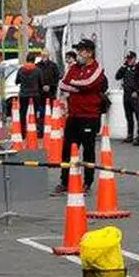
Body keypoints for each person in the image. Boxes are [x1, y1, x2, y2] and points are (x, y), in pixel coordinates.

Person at [52, 39, 107, 196]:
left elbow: (89, 84)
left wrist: (75, 85)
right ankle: (64, 181)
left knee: (88, 150)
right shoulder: (73, 67)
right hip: (74, 115)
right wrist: (78, 87)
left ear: (89, 52)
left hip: (89, 115)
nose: (78, 54)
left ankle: (87, 183)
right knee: (67, 149)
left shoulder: (97, 68)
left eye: (81, 50)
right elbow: (62, 84)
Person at [15, 53, 44, 139]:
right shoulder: (38, 70)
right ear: (34, 60)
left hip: (24, 94)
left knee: (22, 114)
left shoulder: (21, 70)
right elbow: (41, 83)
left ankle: (23, 134)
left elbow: (17, 81)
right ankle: (35, 132)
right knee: (35, 114)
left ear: (26, 59)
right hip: (35, 95)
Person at [115, 51, 139, 143]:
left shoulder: (137, 68)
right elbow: (117, 77)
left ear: (134, 58)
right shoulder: (125, 68)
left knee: (138, 116)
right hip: (126, 95)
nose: (129, 60)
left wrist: (137, 91)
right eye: (127, 58)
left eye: (130, 58)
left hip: (135, 94)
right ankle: (130, 135)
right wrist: (123, 66)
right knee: (128, 116)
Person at [37, 48, 60, 131]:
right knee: (41, 112)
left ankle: (51, 127)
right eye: (43, 55)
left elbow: (57, 78)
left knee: (51, 111)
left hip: (51, 92)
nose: (44, 57)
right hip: (40, 93)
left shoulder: (53, 65)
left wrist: (50, 86)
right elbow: (36, 79)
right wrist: (42, 86)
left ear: (48, 56)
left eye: (45, 55)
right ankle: (41, 128)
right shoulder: (38, 66)